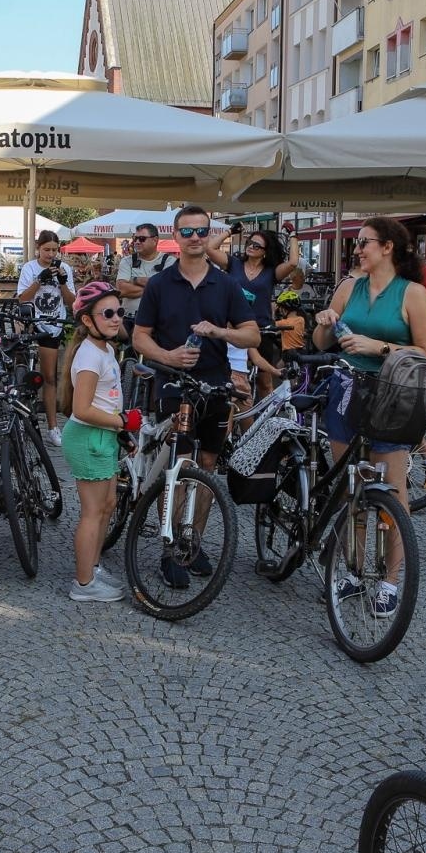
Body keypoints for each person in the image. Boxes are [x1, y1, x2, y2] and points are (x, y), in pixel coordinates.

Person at [311, 217, 426, 616]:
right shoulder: (349, 287)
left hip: (393, 393)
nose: (358, 249)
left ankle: (389, 580)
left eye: (365, 243)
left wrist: (380, 346)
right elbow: (321, 342)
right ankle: (351, 570)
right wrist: (324, 322)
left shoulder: (412, 293)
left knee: (391, 492)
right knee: (352, 488)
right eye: (357, 243)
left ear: (388, 248)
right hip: (346, 389)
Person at [131, 205, 260, 588]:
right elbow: (140, 336)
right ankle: (169, 547)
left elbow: (252, 334)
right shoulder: (159, 283)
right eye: (186, 232)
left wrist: (222, 333)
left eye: (201, 231)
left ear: (209, 234)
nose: (194, 238)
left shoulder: (225, 284)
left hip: (215, 385)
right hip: (173, 384)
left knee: (206, 467)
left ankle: (193, 541)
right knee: (177, 465)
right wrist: (167, 356)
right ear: (175, 235)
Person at [61, 282, 132, 603]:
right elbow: (82, 408)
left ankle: (92, 565)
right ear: (88, 320)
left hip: (103, 436)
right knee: (92, 511)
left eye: (119, 311)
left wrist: (119, 428)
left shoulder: (106, 349)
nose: (116, 318)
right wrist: (122, 422)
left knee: (108, 505)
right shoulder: (90, 356)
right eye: (108, 313)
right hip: (88, 437)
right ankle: (84, 583)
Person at [205, 224, 298, 371]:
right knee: (233, 373)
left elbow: (293, 263)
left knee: (264, 380)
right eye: (249, 243)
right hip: (234, 326)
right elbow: (209, 249)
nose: (251, 247)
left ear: (265, 252)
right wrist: (230, 231)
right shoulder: (234, 264)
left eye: (256, 246)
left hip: (261, 327)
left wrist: (293, 235)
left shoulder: (271, 272)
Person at [17, 230, 78, 446]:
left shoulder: (65, 268)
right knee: (27, 377)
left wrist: (62, 281)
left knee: (50, 377)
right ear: (38, 248)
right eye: (46, 250)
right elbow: (22, 298)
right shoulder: (29, 268)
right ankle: (25, 421)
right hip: (34, 323)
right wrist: (38, 281)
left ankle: (53, 427)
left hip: (54, 324)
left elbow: (73, 302)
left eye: (54, 250)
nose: (51, 254)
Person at [274, 291, 306, 356]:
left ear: (284, 309)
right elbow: (293, 330)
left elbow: (270, 325)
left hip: (288, 353)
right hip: (301, 351)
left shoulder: (283, 323)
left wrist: (273, 312)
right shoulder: (301, 320)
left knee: (277, 366)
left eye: (280, 308)